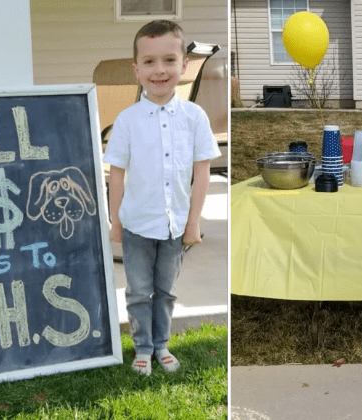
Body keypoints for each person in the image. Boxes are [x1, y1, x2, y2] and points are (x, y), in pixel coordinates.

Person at [103, 20, 221, 376]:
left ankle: (162, 345)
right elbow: (117, 175)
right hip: (138, 225)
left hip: (174, 227)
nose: (160, 70)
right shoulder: (126, 121)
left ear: (183, 65)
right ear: (136, 68)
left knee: (166, 290)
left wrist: (193, 222)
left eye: (169, 60)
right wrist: (116, 222)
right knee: (139, 291)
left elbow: (202, 173)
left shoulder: (194, 118)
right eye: (150, 62)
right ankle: (142, 348)